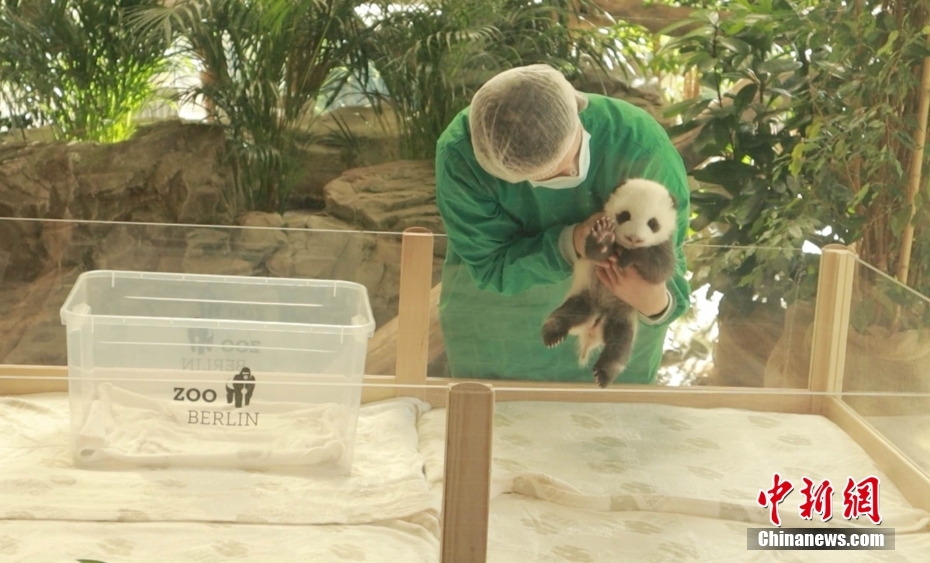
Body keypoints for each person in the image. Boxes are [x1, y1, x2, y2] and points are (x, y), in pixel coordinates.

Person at [433, 64, 691, 385]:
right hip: (502, 339)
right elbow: (489, 263)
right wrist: (570, 243)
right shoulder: (463, 156)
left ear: (578, 110)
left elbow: (670, 260)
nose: (566, 175)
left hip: (614, 341)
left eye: (565, 158)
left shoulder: (640, 147)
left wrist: (654, 302)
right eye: (541, 173)